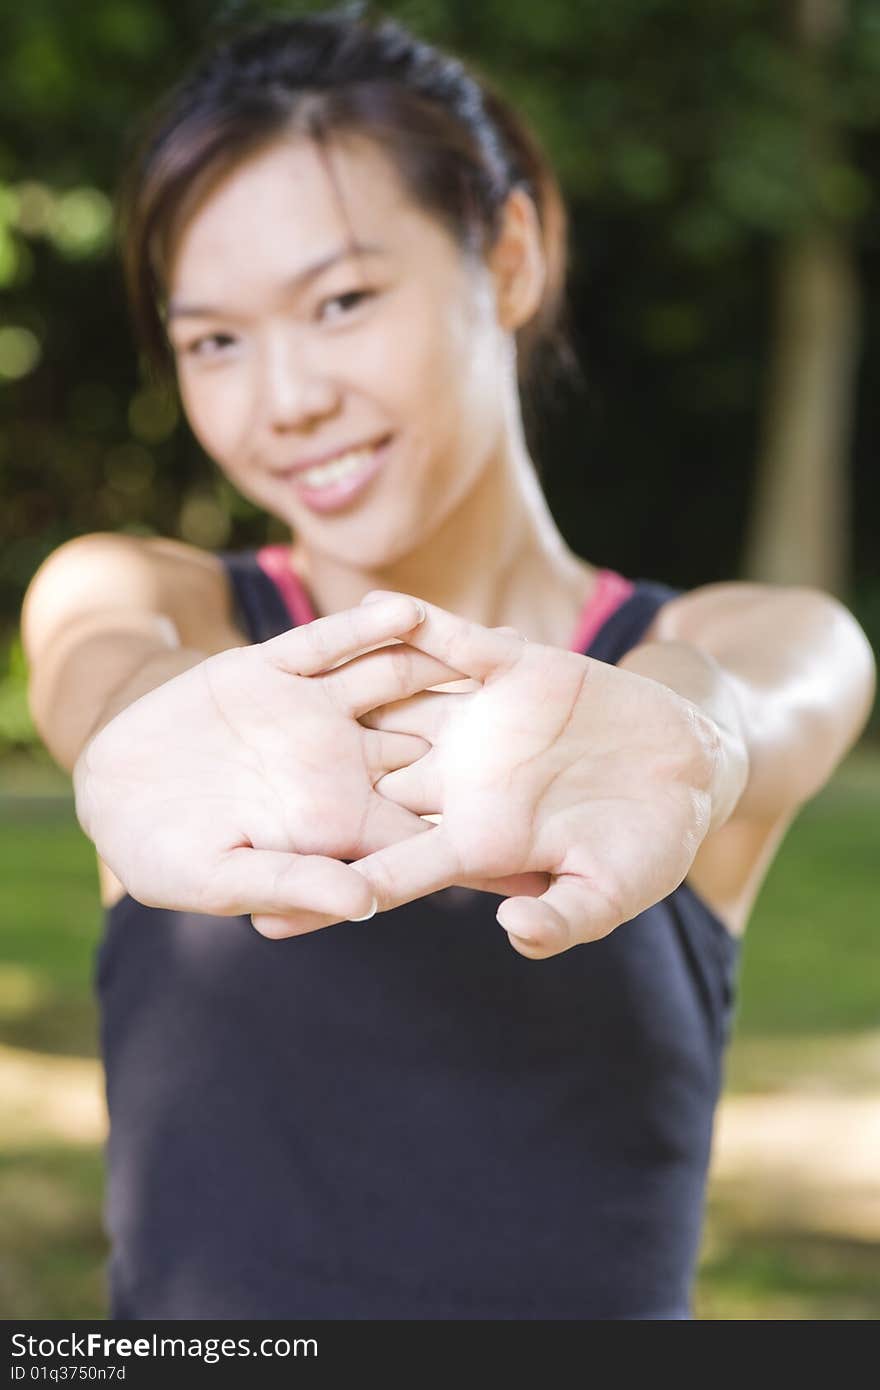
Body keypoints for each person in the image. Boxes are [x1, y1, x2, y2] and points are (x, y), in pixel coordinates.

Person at [22, 7, 875, 1321]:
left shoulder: (684, 662)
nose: (286, 395)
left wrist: (695, 731)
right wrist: (139, 718)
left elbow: (787, 674)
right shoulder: (155, 614)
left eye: (343, 299)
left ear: (513, 254)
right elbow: (103, 664)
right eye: (214, 341)